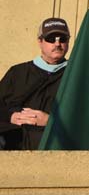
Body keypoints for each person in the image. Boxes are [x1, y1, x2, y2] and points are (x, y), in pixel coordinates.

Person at [0, 18, 70, 150]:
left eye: (63, 39)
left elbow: (86, 117)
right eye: (51, 39)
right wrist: (11, 116)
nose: (57, 44)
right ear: (40, 41)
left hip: (54, 145)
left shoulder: (75, 75)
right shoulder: (18, 72)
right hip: (13, 142)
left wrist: (50, 121)